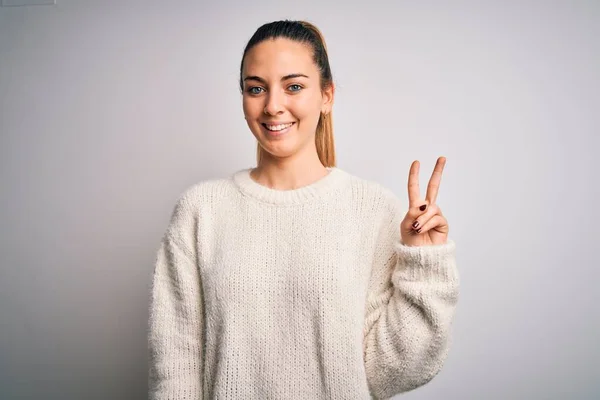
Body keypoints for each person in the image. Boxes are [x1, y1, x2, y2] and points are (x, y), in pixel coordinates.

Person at [148, 19, 459, 400]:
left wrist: (423, 262)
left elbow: (389, 373)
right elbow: (175, 366)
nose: (273, 105)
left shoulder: (373, 211)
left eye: (293, 86)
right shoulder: (201, 211)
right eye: (255, 89)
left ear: (326, 96)